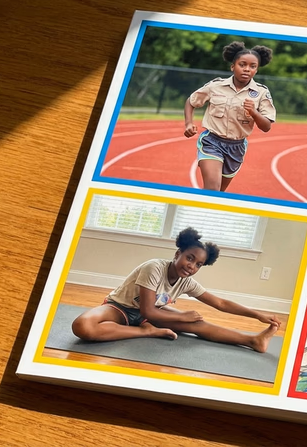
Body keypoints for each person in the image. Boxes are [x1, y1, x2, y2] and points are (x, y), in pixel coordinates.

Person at [71, 227, 281, 353]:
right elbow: (147, 311)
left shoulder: (186, 282)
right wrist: (182, 318)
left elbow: (221, 303)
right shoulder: (154, 267)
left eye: (198, 264)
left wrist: (258, 315)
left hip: (152, 314)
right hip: (120, 308)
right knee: (82, 326)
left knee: (197, 323)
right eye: (190, 258)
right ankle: (146, 332)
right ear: (177, 253)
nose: (192, 266)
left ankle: (253, 340)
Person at [183, 41, 277, 192]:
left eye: (252, 66)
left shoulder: (261, 93)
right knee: (212, 189)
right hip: (211, 142)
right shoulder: (216, 86)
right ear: (233, 66)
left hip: (236, 148)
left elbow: (266, 127)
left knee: (220, 192)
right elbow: (191, 100)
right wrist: (188, 123)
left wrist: (254, 112)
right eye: (242, 64)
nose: (247, 69)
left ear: (256, 70)